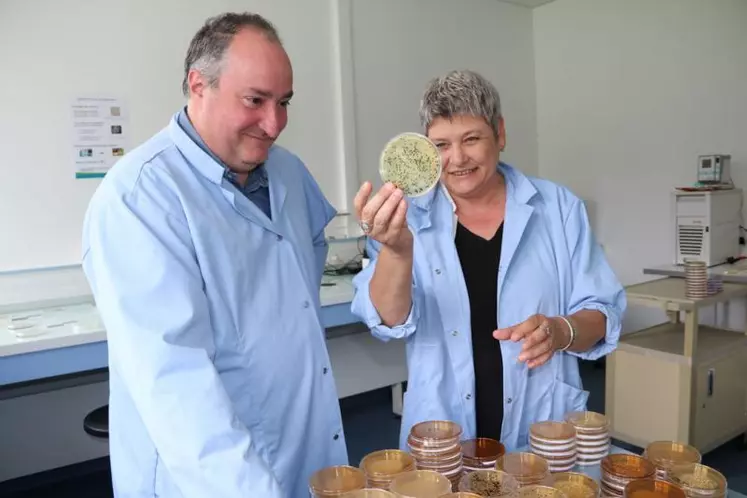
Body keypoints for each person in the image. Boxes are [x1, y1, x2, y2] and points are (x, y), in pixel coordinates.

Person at [82, 12, 347, 498]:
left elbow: (310, 245)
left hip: (300, 434)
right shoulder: (140, 197)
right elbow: (175, 384)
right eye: (255, 100)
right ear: (198, 84)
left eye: (284, 102)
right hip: (208, 474)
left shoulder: (287, 171)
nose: (274, 124)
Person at [351, 70, 626, 451]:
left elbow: (602, 312)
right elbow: (388, 320)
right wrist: (397, 251)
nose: (457, 158)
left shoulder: (558, 208)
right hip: (442, 427)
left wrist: (561, 331)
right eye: (441, 145)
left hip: (541, 420)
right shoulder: (407, 219)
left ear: (500, 134)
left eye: (472, 139)